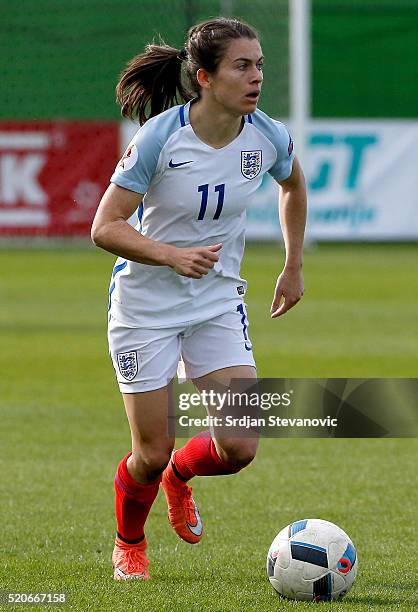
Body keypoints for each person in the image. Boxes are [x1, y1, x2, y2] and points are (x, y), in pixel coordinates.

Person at [91, 17, 307, 581]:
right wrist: (169, 254)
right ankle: (129, 540)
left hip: (215, 303)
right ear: (206, 77)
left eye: (259, 64)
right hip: (144, 311)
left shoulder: (267, 135)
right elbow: (104, 227)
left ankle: (179, 479)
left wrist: (292, 264)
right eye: (243, 65)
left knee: (239, 446)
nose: (257, 76)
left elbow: (293, 185)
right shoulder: (161, 138)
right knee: (150, 451)